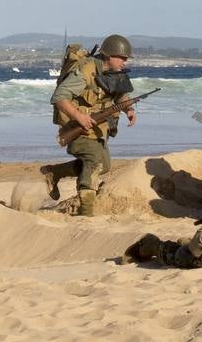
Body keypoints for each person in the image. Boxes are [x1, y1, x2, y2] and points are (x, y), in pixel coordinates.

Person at [41, 33, 137, 216]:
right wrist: (78, 115)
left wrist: (129, 109)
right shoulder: (86, 70)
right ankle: (86, 212)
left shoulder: (113, 72)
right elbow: (59, 96)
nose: (125, 62)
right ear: (110, 56)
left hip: (98, 127)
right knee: (93, 161)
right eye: (122, 58)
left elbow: (118, 93)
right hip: (76, 127)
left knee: (105, 165)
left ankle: (55, 172)